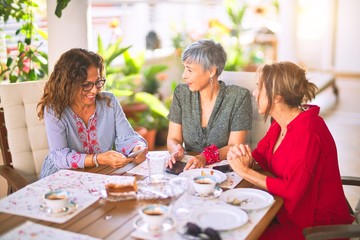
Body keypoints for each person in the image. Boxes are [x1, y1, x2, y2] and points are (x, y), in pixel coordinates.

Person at [227, 61, 354, 239]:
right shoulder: (280, 124)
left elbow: (292, 190)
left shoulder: (308, 132)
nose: (254, 93)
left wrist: (245, 171)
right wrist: (245, 159)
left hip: (315, 227)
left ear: (277, 96)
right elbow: (259, 158)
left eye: (259, 87)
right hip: (286, 213)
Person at [37, 48, 148, 178]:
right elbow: (60, 157)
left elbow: (128, 137)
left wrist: (137, 149)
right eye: (86, 85)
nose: (95, 90)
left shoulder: (109, 102)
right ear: (68, 84)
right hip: (61, 176)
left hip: (100, 173)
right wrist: (99, 159)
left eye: (98, 82)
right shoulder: (54, 109)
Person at [167, 39, 252, 170]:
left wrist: (205, 157)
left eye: (190, 70)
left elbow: (234, 146)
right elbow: (173, 138)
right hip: (189, 169)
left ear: (211, 71)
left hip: (223, 172)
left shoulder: (238, 97)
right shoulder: (181, 93)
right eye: (184, 68)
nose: (184, 75)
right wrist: (175, 150)